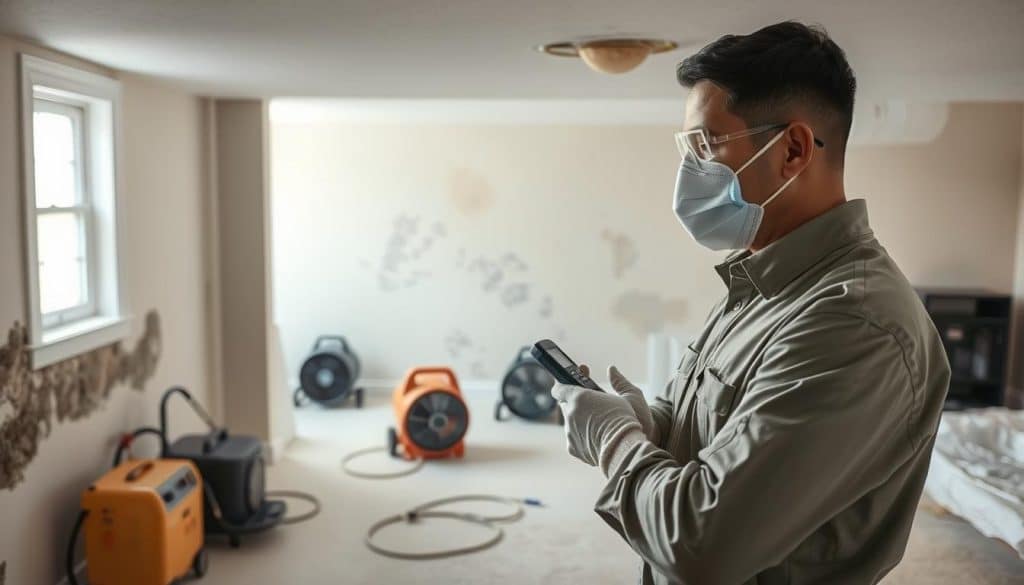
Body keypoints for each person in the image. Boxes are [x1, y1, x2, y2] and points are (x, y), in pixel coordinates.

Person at [551, 21, 950, 585]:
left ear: (792, 149)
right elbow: (722, 435)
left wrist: (613, 442)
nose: (689, 171)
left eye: (707, 145)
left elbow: (702, 545)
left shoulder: (854, 322)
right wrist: (651, 424)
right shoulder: (761, 282)